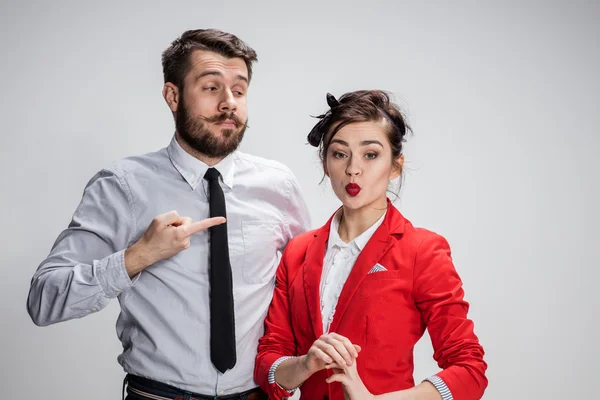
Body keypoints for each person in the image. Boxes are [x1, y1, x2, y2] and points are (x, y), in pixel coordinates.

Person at [26, 29, 311, 400]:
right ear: (172, 96)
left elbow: (306, 292)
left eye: (239, 91)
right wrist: (138, 256)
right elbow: (44, 301)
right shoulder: (122, 186)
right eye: (211, 88)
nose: (229, 103)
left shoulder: (279, 185)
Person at [254, 90, 487, 400]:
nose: (353, 169)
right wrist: (305, 364)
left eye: (370, 154)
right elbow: (269, 362)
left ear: (395, 166)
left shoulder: (422, 251)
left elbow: (469, 370)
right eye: (339, 153)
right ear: (325, 163)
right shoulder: (297, 252)